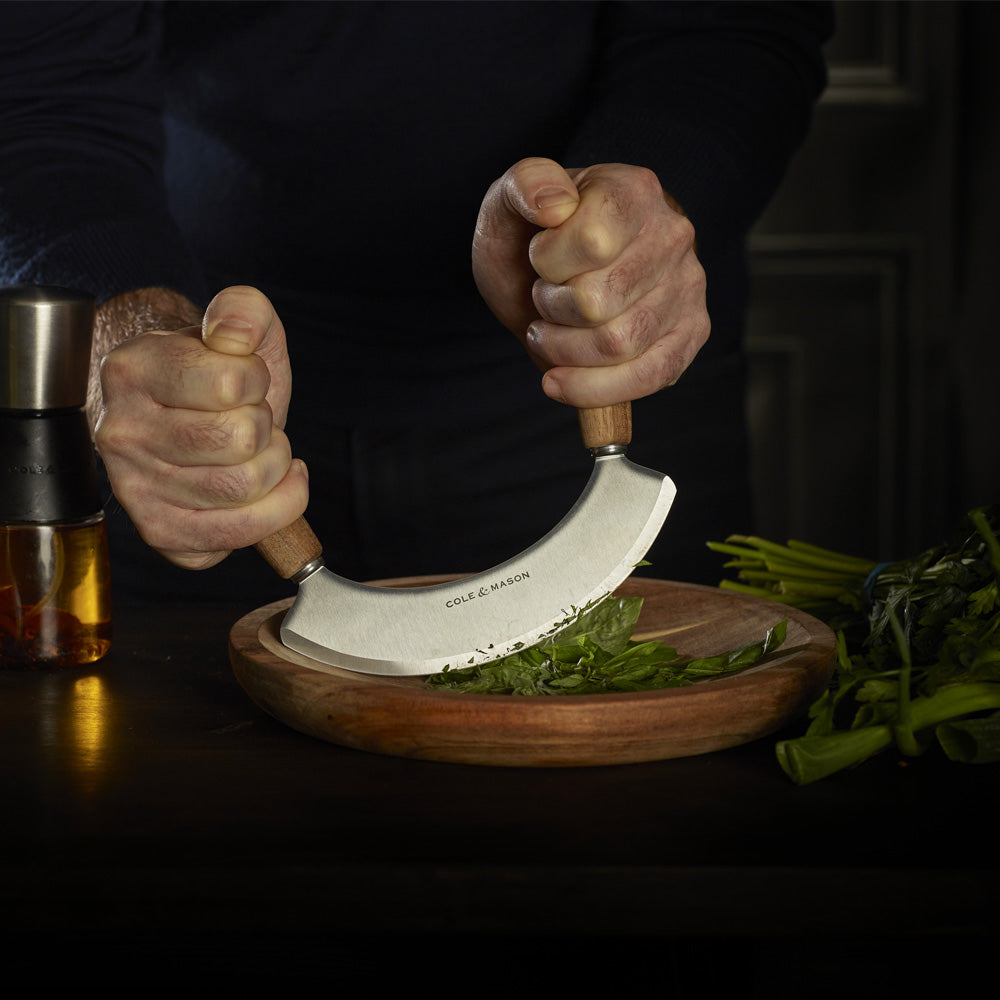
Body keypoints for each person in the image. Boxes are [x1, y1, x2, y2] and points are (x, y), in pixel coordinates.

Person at [0, 1, 833, 606]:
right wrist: (125, 325)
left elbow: (729, 27)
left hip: (607, 368)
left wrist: (651, 200)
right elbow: (39, 98)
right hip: (186, 410)